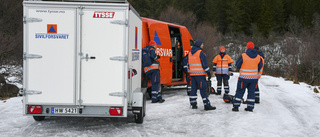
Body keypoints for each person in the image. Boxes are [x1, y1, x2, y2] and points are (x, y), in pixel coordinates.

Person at [232, 42, 263, 112]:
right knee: (251, 92)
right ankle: (250, 107)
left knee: (240, 91)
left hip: (243, 78)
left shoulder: (243, 56)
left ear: (247, 47)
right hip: (254, 79)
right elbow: (260, 66)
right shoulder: (258, 57)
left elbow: (237, 65)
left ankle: (236, 106)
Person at [187, 39, 216, 110]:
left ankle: (193, 104)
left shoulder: (190, 53)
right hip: (200, 75)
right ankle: (207, 105)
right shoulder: (200, 53)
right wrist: (208, 73)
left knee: (193, 89)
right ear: (199, 45)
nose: (203, 45)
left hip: (192, 74)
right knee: (203, 89)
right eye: (202, 44)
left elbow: (188, 64)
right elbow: (204, 64)